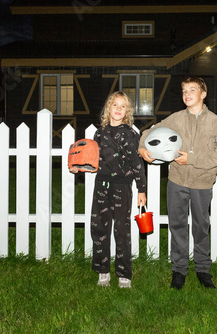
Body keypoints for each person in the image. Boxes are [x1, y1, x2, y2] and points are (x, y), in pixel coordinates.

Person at [138, 77, 217, 289]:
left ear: (203, 94)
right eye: (184, 90)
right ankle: (179, 270)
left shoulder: (215, 121)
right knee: (177, 225)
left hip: (202, 182)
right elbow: (150, 131)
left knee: (200, 226)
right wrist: (142, 146)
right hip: (177, 181)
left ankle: (203, 270)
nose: (187, 94)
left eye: (192, 90)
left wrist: (192, 159)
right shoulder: (177, 119)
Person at [70, 91, 146, 289]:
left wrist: (141, 189)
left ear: (127, 111)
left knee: (122, 230)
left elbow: (137, 163)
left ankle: (123, 274)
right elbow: (93, 162)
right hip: (101, 185)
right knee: (99, 228)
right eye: (115, 105)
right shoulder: (99, 133)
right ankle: (103, 271)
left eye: (123, 106)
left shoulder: (130, 134)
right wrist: (79, 167)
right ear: (108, 109)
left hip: (122, 186)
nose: (118, 109)